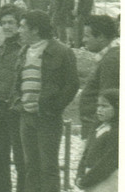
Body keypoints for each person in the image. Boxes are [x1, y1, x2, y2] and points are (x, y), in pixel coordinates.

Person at [14, 10, 79, 192]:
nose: (19, 30)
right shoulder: (24, 51)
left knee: (48, 167)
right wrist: (19, 102)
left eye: (22, 26)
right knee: (30, 166)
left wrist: (54, 108)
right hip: (25, 117)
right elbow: (18, 82)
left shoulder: (62, 51)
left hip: (47, 118)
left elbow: (72, 84)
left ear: (35, 29)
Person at [0, 4, 28, 192]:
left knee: (21, 159)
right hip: (0, 108)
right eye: (3, 22)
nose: (7, 26)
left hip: (17, 110)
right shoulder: (3, 48)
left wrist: (15, 98)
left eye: (11, 22)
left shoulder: (26, 48)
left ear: (20, 24)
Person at [78, 14, 119, 146]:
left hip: (99, 130)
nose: (83, 40)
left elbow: (108, 101)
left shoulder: (111, 61)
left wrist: (96, 137)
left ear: (100, 36)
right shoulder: (110, 56)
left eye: (87, 36)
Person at [76, 89, 118, 192]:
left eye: (104, 106)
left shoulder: (116, 133)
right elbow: (85, 154)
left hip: (106, 181)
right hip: (90, 178)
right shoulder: (98, 129)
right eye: (98, 106)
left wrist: (86, 180)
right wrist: (80, 175)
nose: (99, 110)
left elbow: (107, 163)